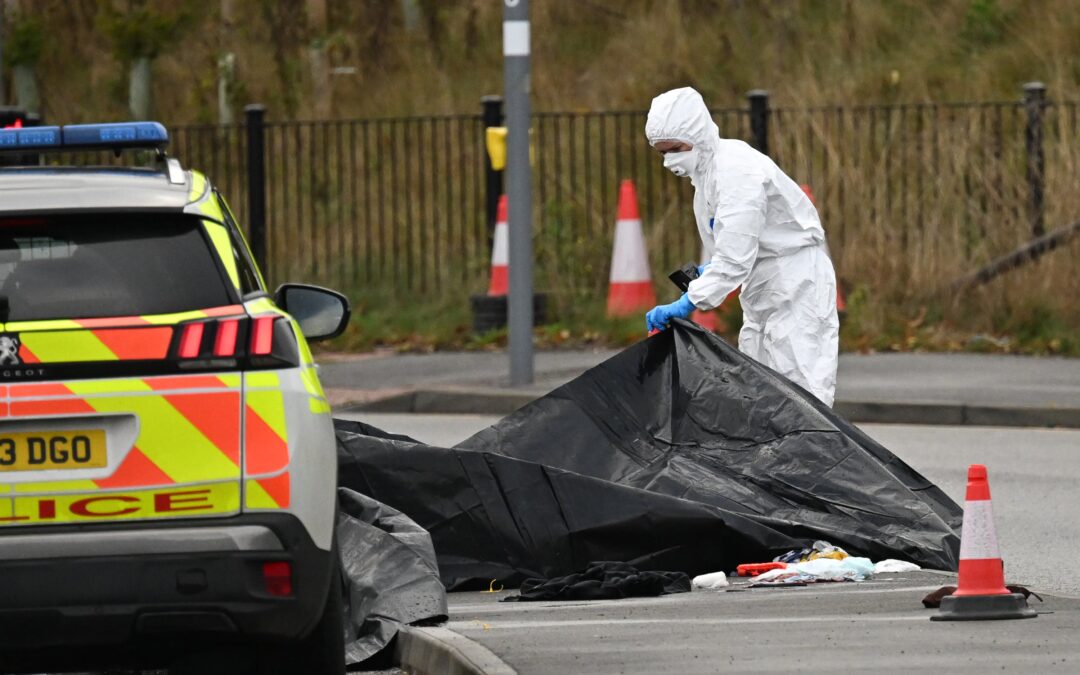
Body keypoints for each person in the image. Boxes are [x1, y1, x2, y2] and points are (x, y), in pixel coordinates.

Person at [643, 87, 839, 407]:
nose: (670, 159)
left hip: (796, 283)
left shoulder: (736, 172)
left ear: (697, 135)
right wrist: (709, 273)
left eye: (676, 148)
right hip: (764, 285)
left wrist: (691, 300)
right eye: (662, 152)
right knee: (764, 393)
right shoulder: (707, 177)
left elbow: (734, 259)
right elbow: (735, 245)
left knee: (802, 392)